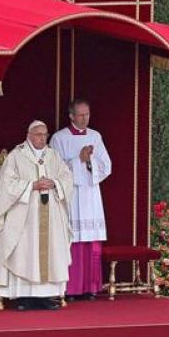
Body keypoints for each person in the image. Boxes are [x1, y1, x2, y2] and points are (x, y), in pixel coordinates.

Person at [0, 120, 74, 310]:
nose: (42, 138)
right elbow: (7, 185)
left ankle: (45, 296)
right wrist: (32, 185)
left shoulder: (53, 155)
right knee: (24, 252)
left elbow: (67, 177)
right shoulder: (16, 156)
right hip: (24, 216)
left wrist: (55, 183)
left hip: (50, 214)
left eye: (45, 135)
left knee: (50, 251)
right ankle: (23, 297)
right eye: (38, 134)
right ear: (29, 136)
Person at [49, 99, 112, 300]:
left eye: (87, 114)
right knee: (73, 242)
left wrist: (91, 162)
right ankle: (71, 289)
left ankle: (91, 287)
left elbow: (106, 166)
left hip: (91, 195)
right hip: (70, 196)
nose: (84, 118)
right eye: (80, 115)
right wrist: (79, 160)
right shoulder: (59, 139)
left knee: (91, 242)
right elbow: (53, 169)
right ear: (71, 116)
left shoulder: (96, 136)